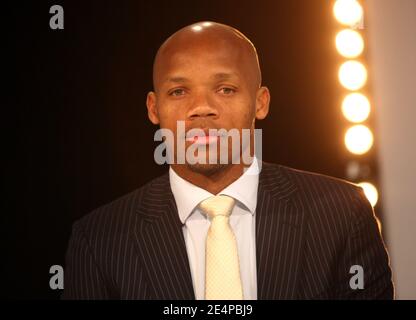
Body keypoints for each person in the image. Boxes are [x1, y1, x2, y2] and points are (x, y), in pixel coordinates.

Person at [62, 21, 394, 299]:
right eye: (179, 91)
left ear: (260, 102)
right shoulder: (99, 240)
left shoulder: (340, 213)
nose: (202, 107)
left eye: (225, 89)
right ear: (153, 108)